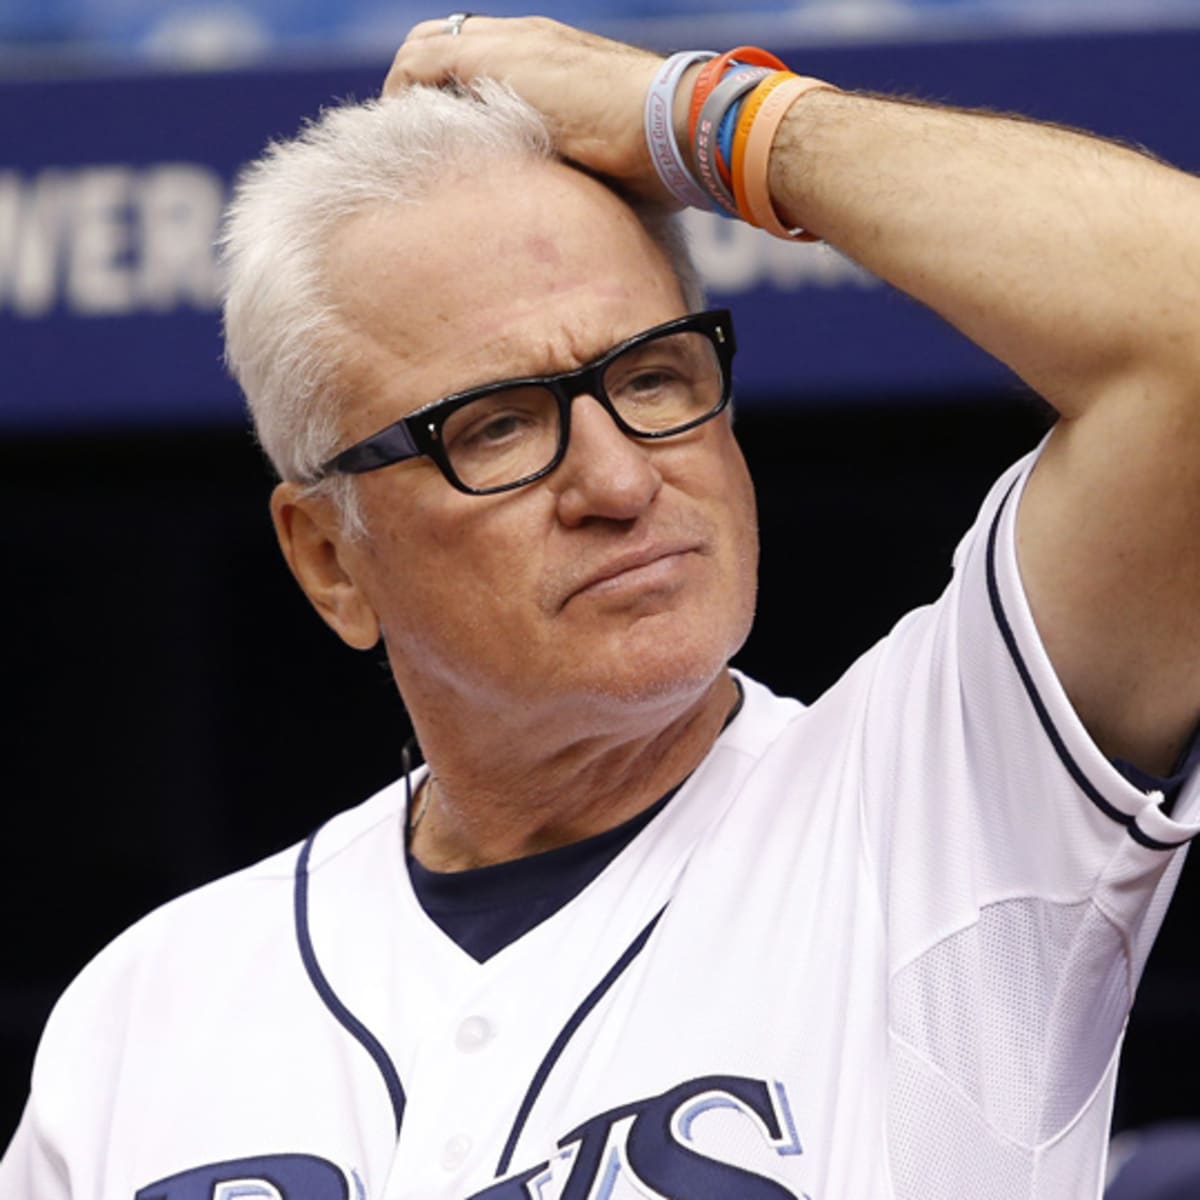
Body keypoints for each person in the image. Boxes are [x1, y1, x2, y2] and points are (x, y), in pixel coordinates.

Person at [3, 13, 1198, 1200]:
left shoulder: (950, 797)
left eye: (652, 376)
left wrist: (700, 117)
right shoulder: (147, 1013)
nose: (622, 482)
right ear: (329, 558)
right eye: (498, 426)